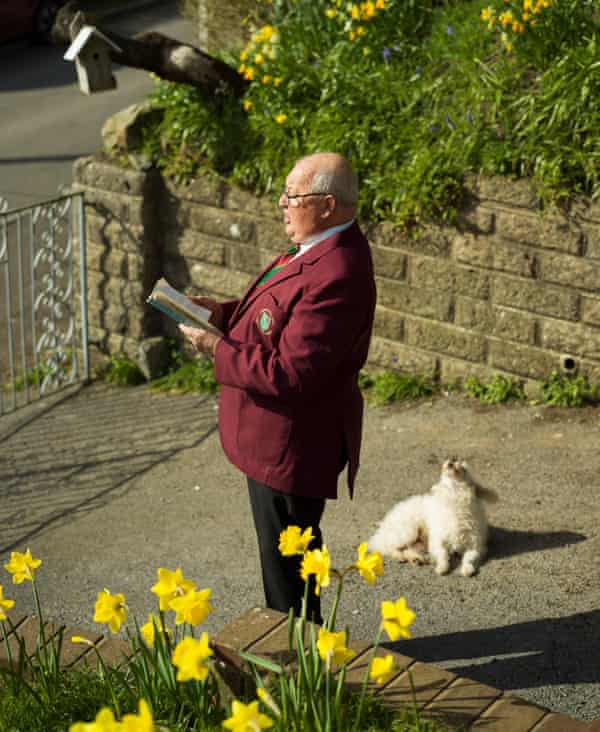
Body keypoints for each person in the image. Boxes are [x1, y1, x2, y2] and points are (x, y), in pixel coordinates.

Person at [179, 151, 376, 624]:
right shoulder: (314, 244)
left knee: (288, 571)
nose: (282, 203)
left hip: (292, 447)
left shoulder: (339, 272)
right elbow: (271, 315)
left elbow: (290, 373)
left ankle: (300, 671)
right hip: (277, 441)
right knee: (286, 558)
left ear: (327, 205)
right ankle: (302, 659)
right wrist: (220, 314)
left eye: (293, 195)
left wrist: (214, 346)